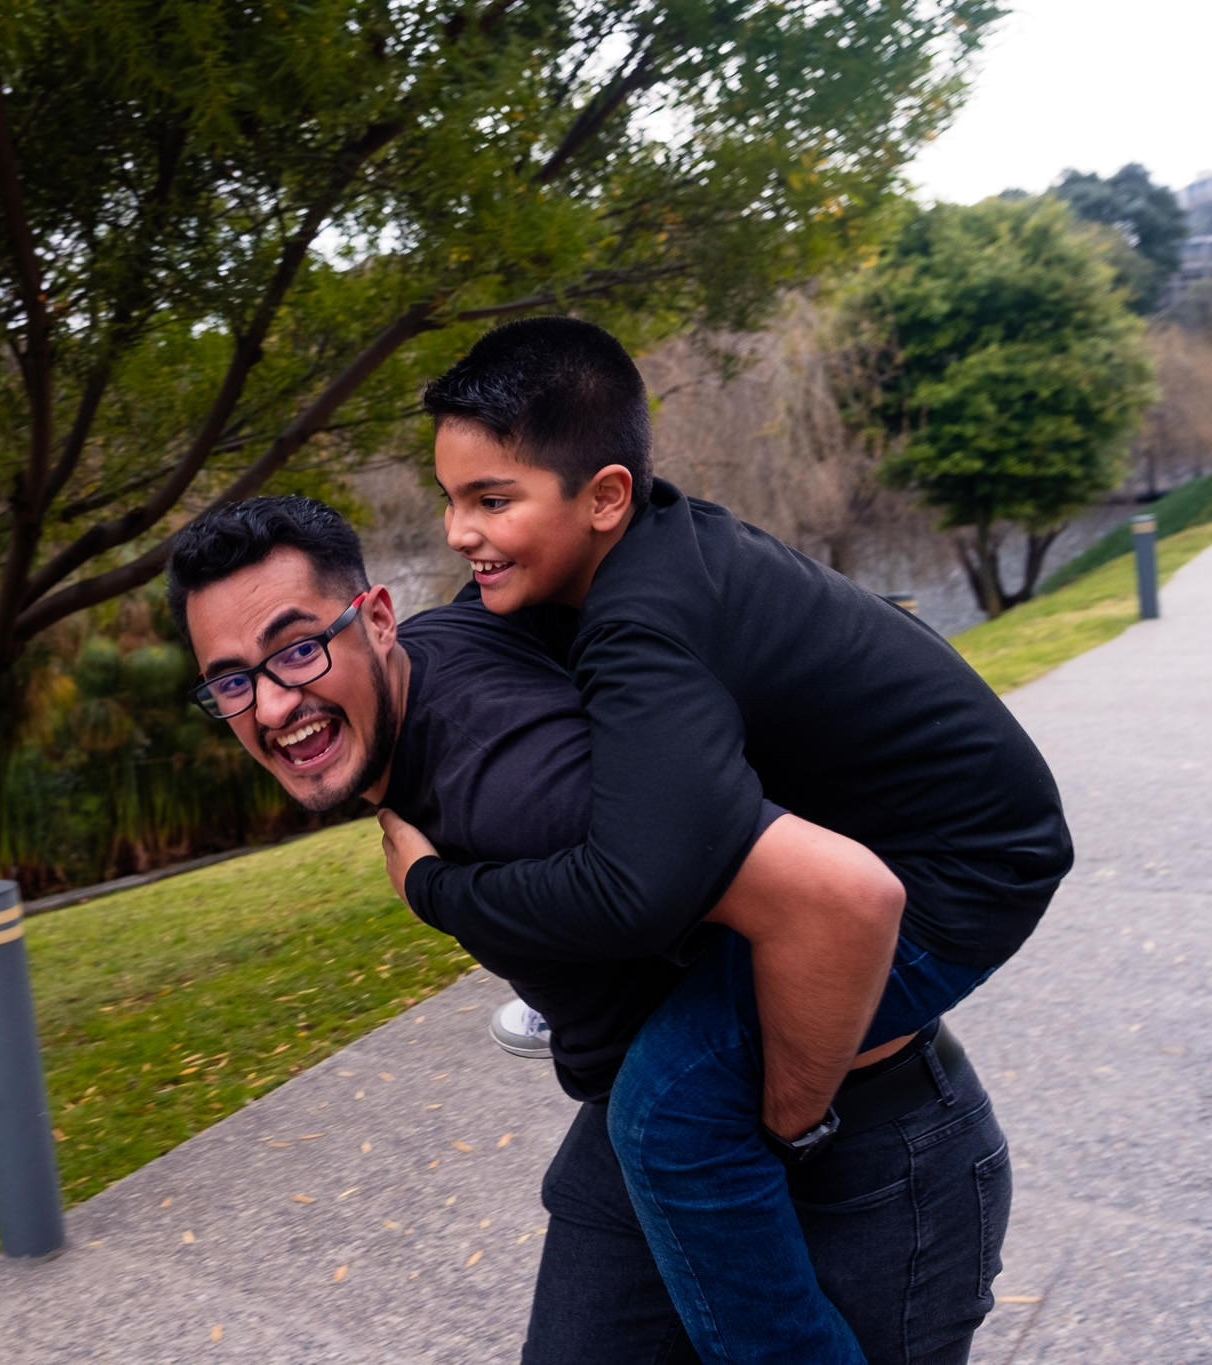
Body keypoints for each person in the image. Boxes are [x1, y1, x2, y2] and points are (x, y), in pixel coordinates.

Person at [166, 497, 1013, 1362]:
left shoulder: (519, 790)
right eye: (232, 680)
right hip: (652, 1125)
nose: (272, 706)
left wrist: (786, 1129)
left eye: (297, 649)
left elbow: (845, 900)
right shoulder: (449, 639)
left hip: (864, 1159)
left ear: (377, 619)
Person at [382, 316, 1072, 1362]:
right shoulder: (645, 553)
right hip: (923, 833)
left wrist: (435, 887)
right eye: (449, 499)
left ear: (604, 495)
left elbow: (636, 888)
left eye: (490, 501)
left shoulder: (641, 619)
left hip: (961, 879)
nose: (456, 533)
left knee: (665, 1110)